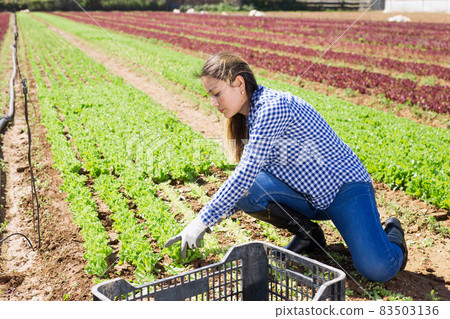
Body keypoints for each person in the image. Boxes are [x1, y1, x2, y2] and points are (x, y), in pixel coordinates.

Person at [165, 52, 407, 282]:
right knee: (248, 192)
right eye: (209, 95)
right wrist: (213, 217)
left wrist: (201, 221)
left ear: (239, 83)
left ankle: (393, 230)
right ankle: (309, 236)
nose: (213, 103)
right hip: (306, 195)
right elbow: (246, 185)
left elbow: (245, 173)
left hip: (344, 191)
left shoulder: (273, 108)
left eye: (216, 93)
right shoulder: (248, 116)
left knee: (377, 268)